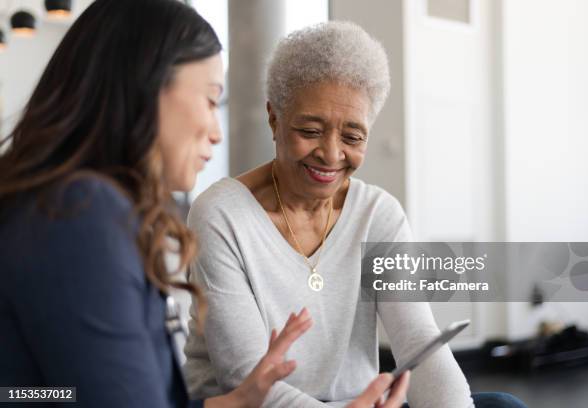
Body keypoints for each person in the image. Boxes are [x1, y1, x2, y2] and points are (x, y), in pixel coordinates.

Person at [0, 1, 410, 407]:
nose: (216, 132)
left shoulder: (69, 205)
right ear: (145, 90)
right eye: (212, 101)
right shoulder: (80, 214)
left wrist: (237, 402)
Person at [184, 21, 527, 408]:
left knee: (502, 405)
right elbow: (246, 378)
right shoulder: (221, 215)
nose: (331, 155)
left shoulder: (378, 214)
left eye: (352, 137)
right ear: (274, 118)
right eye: (310, 130)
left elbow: (419, 341)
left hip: (359, 403)